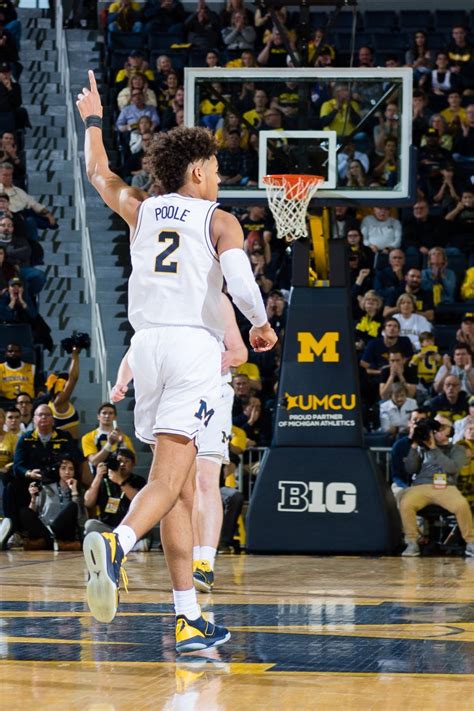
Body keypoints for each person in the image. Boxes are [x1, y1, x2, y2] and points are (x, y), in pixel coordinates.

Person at [76, 71, 277, 651]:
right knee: (168, 481)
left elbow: (98, 173)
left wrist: (94, 119)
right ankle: (117, 544)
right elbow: (239, 279)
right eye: (214, 168)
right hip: (192, 349)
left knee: (182, 491)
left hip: (146, 348)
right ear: (197, 172)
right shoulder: (219, 220)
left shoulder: (141, 208)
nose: (219, 176)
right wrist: (261, 325)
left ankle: (188, 616)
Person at [192, 293, 247, 593]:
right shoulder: (164, 292)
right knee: (180, 484)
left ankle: (205, 563)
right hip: (178, 392)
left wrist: (224, 359)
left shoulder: (219, 299)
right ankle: (187, 556)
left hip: (214, 394)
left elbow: (240, 353)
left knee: (205, 481)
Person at [401, 415, 474, 557]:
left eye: (441, 428)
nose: (436, 432)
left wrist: (434, 448)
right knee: (405, 503)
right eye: (434, 429)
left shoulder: (458, 449)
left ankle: (471, 543)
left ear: (450, 431)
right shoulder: (422, 448)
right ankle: (412, 542)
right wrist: (415, 445)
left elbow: (452, 468)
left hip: (446, 487)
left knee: (461, 505)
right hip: (421, 487)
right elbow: (410, 469)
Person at [84, 449, 149, 550]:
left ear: (133, 464)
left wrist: (120, 481)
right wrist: (98, 476)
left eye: (126, 461)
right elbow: (88, 502)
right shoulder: (105, 480)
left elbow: (141, 503)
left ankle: (112, 544)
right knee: (90, 525)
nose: (122, 464)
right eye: (119, 461)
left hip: (130, 528)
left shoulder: (138, 481)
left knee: (146, 529)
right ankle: (124, 545)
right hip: (108, 527)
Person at [21, 457, 86, 550]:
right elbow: (33, 512)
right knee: (24, 511)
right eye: (63, 468)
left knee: (72, 505)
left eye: (71, 469)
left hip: (63, 530)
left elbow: (79, 517)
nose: (67, 472)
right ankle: (53, 542)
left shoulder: (79, 490)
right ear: (58, 470)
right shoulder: (46, 488)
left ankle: (46, 542)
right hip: (45, 528)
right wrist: (33, 498)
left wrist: (74, 492)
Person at [81, 401, 135, 471]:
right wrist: (109, 444)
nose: (107, 416)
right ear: (98, 416)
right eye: (104, 413)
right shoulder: (88, 437)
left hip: (119, 477)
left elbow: (133, 462)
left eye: (110, 413)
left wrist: (122, 444)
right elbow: (94, 461)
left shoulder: (124, 438)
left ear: (115, 417)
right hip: (98, 477)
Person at [45, 346, 81, 439]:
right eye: (66, 385)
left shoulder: (53, 402)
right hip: (64, 448)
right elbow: (73, 378)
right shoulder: (59, 401)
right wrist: (75, 354)